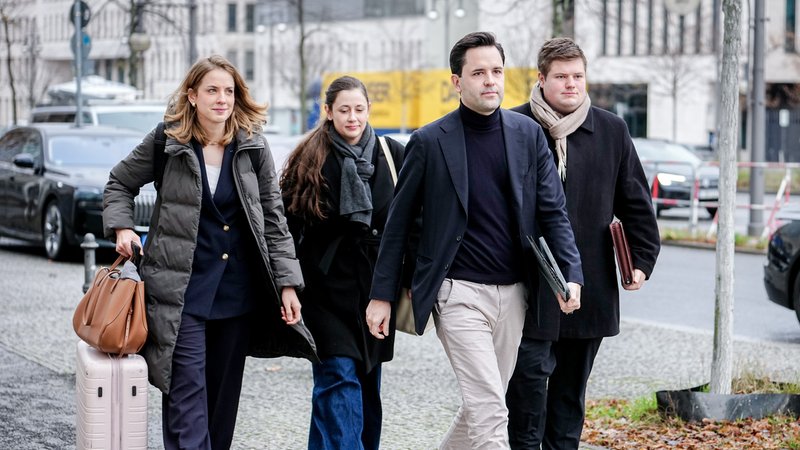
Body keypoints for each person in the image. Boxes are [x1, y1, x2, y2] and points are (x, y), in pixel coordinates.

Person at [367, 31, 584, 449]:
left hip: (515, 294)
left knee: (483, 406)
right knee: (490, 411)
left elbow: (553, 213)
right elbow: (398, 225)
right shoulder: (430, 142)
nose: (490, 80)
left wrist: (570, 274)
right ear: (457, 81)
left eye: (497, 71)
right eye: (479, 72)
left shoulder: (527, 135)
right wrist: (381, 295)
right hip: (458, 293)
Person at [102, 55, 317, 450]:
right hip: (181, 293)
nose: (222, 99)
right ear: (193, 95)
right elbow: (119, 182)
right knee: (186, 397)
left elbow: (274, 219)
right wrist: (123, 226)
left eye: (229, 91)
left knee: (220, 406)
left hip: (237, 295)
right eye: (212, 90)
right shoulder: (168, 140)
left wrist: (288, 285)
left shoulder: (253, 145)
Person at [505, 37, 661, 450]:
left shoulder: (611, 129)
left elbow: (636, 203)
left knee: (569, 397)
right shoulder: (513, 127)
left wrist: (641, 261)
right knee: (526, 388)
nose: (571, 84)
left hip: (588, 283)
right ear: (541, 79)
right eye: (561, 77)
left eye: (578, 76)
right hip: (526, 285)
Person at [280, 76, 405, 450]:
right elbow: (286, 226)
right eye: (344, 110)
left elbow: (413, 220)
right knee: (338, 377)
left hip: (376, 288)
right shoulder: (310, 158)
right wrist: (288, 283)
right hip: (324, 288)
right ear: (329, 112)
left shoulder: (392, 154)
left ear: (369, 109)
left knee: (366, 384)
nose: (353, 118)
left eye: (359, 109)